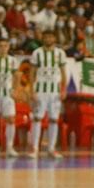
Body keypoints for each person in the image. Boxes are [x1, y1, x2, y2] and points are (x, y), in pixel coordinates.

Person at [28, 29, 67, 157]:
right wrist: (32, 90)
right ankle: (34, 149)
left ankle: (51, 149)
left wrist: (63, 89)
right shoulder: (37, 53)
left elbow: (63, 73)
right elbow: (32, 73)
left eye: (51, 37)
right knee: (37, 118)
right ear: (42, 38)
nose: (48, 39)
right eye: (46, 37)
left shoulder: (60, 53)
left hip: (55, 91)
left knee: (54, 119)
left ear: (54, 39)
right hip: (40, 90)